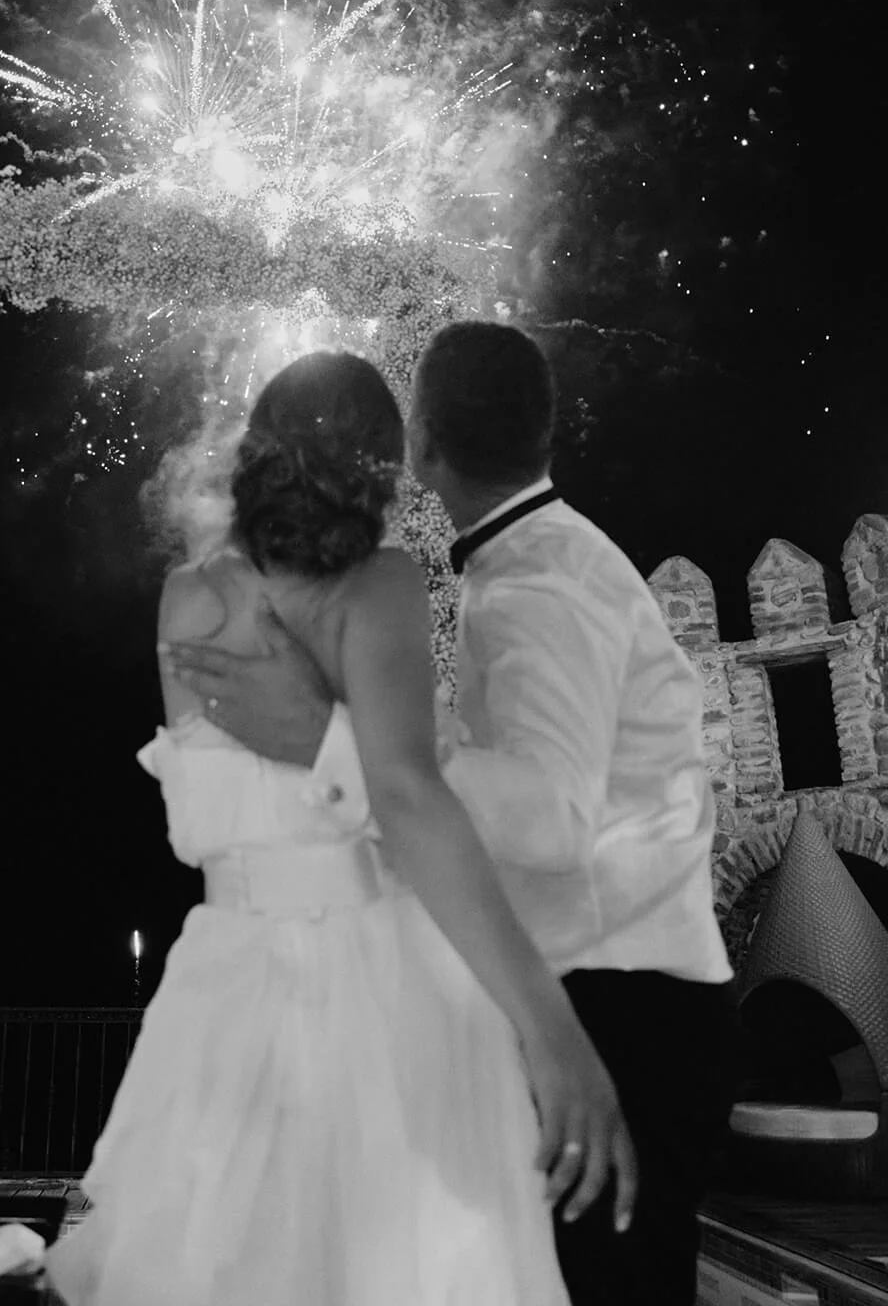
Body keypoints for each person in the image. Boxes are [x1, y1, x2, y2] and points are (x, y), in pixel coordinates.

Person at [165, 322, 736, 1306]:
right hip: (579, 990)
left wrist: (340, 741)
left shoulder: (541, 580)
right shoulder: (487, 569)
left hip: (617, 1006)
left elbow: (553, 820)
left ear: (424, 447)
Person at [49, 350, 636, 1306]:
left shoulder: (188, 597)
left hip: (223, 982)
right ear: (381, 464)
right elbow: (407, 801)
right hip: (383, 988)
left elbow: (206, 819)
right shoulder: (381, 587)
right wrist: (551, 1028)